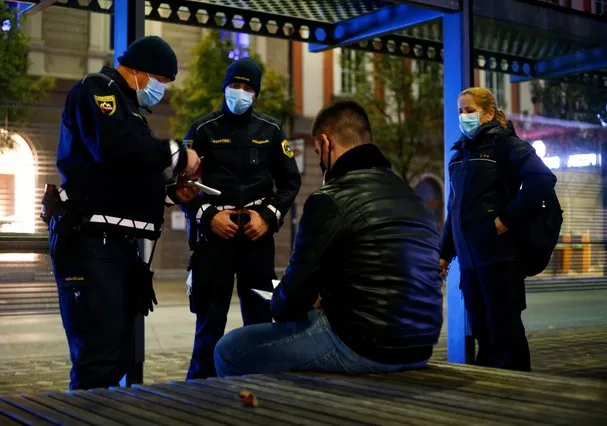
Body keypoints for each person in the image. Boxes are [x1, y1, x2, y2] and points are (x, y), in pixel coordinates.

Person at [213, 100, 443, 377]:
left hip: (367, 346)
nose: (321, 160)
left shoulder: (330, 199)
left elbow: (292, 299)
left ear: (325, 142)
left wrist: (280, 303)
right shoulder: (413, 197)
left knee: (230, 349)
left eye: (319, 151)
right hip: (421, 345)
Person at [50, 36, 201, 390]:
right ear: (140, 71)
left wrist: (169, 194)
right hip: (90, 245)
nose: (161, 89)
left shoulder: (131, 110)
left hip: (117, 249)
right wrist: (176, 153)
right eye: (161, 80)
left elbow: (124, 176)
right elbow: (114, 149)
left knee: (115, 355)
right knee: (98, 358)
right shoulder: (96, 91)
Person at [174, 58, 301, 380]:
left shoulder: (271, 130)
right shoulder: (202, 129)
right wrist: (208, 216)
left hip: (257, 239)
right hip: (215, 240)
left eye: (247, 88)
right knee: (209, 323)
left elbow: (290, 182)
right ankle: (199, 391)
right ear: (225, 87)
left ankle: (259, 387)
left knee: (260, 321)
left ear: (256, 94)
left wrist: (269, 217)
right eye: (235, 86)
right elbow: (183, 186)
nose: (240, 93)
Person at [439, 87, 557, 372]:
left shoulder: (505, 144)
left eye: (470, 110)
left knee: (506, 335)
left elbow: (542, 179)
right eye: (460, 111)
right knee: (483, 334)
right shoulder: (459, 156)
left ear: (489, 113)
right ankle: (492, 397)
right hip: (470, 262)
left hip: (500, 259)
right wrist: (444, 253)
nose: (464, 116)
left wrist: (506, 219)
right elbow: (454, 209)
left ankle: (517, 396)